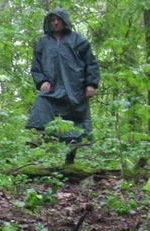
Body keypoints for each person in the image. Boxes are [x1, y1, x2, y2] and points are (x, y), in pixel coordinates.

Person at [26, 8, 99, 142]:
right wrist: (42, 81)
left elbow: (91, 63)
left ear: (65, 21)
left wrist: (91, 84)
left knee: (80, 117)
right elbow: (36, 67)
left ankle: (81, 142)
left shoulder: (78, 40)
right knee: (41, 103)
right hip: (53, 88)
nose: (55, 23)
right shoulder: (42, 42)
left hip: (75, 87)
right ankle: (41, 137)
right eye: (52, 20)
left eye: (58, 19)